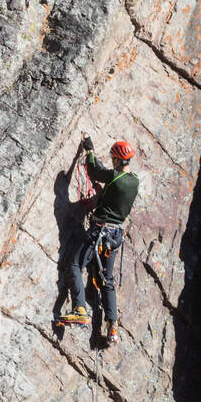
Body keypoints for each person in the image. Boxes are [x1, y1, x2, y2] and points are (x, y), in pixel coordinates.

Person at [59, 135, 138, 345]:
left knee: (75, 264)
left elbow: (94, 171)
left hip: (99, 232)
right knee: (106, 280)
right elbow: (112, 180)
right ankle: (113, 326)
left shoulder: (113, 176)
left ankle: (80, 310)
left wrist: (90, 151)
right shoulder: (134, 181)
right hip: (114, 237)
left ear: (116, 160)